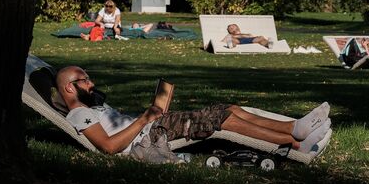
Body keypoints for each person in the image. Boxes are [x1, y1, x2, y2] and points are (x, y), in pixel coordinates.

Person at [56, 66, 332, 163]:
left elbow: (117, 127)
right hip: (151, 135)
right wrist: (145, 119)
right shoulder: (80, 115)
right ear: (70, 87)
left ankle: (294, 128)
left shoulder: (91, 107)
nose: (91, 83)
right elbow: (109, 147)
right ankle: (294, 142)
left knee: (230, 108)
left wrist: (154, 112)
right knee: (224, 121)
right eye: (85, 80)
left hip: (154, 125)